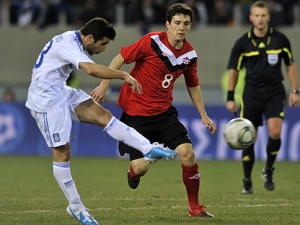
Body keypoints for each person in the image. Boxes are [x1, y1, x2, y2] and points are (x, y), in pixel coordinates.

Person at [25, 17, 177, 225]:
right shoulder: (70, 44)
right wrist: (124, 75)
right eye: (103, 44)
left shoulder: (73, 39)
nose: (104, 49)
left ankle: (148, 148)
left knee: (103, 116)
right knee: (62, 152)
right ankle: (76, 207)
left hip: (59, 90)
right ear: (90, 38)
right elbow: (91, 70)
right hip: (46, 100)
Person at [91, 3, 217, 218]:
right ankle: (133, 171)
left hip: (164, 114)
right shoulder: (151, 42)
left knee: (187, 154)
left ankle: (194, 207)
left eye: (186, 24)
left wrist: (203, 115)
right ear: (168, 24)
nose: (181, 27)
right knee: (141, 168)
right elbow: (119, 59)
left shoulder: (189, 55)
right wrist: (104, 85)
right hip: (136, 116)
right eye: (177, 23)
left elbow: (193, 85)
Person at [226, 1, 299, 194]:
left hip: (274, 92)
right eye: (256, 15)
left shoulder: (280, 40)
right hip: (251, 93)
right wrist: (230, 97)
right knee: (249, 138)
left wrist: (295, 90)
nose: (259, 19)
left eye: (262, 15)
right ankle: (247, 180)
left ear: (268, 17)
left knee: (275, 133)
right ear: (251, 18)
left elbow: (290, 65)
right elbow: (233, 70)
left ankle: (268, 169)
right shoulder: (243, 43)